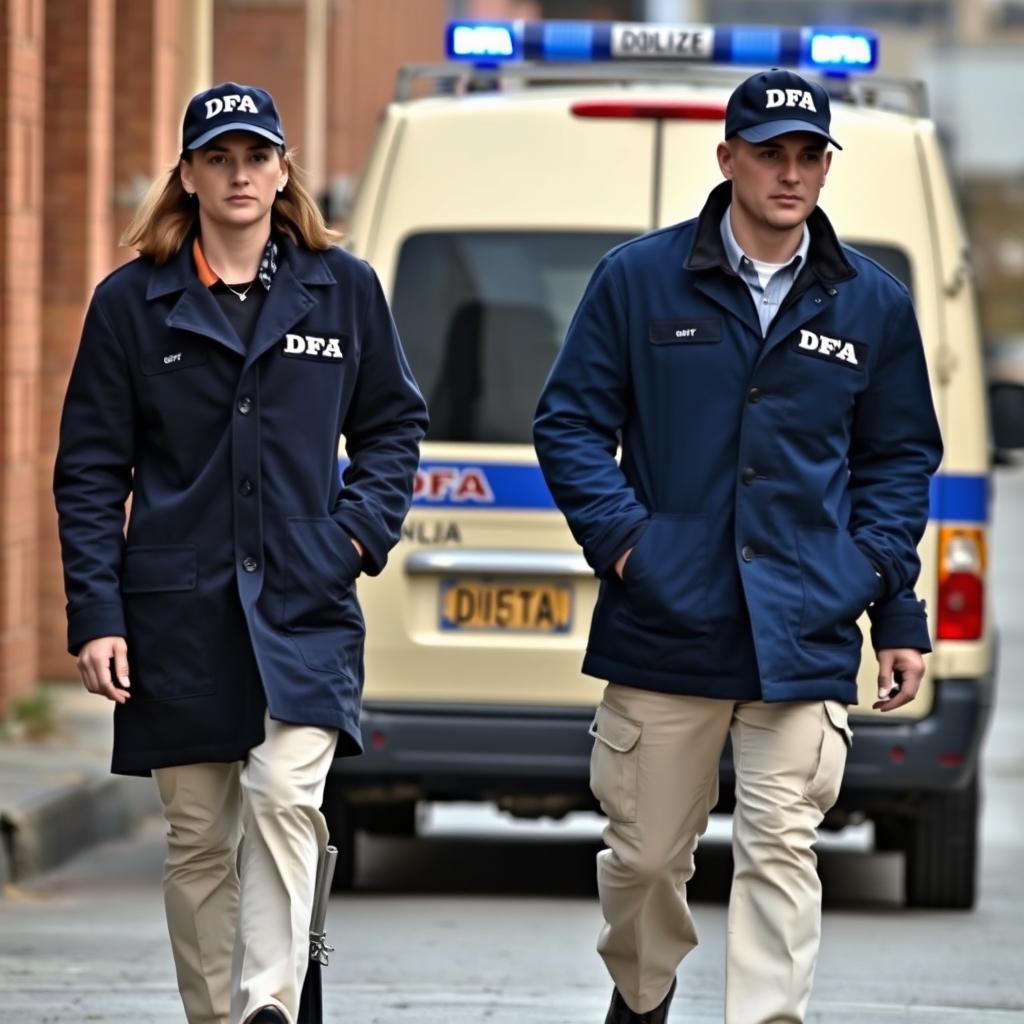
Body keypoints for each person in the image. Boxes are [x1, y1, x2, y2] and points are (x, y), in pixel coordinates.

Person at [533, 68, 942, 1024]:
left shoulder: (871, 304)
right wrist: (630, 547)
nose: (790, 174)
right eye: (770, 154)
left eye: (808, 156)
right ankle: (643, 995)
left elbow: (897, 462)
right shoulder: (637, 281)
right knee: (642, 860)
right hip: (666, 627)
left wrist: (886, 597)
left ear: (826, 167)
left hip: (803, 631)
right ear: (728, 160)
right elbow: (569, 426)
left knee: (782, 850)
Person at [53, 82, 428, 1024]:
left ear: (283, 170)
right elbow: (92, 472)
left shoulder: (343, 290)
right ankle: (216, 1014)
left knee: (283, 798)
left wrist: (353, 534)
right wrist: (96, 615)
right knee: (195, 837)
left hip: (305, 603)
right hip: (177, 612)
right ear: (187, 174)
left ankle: (267, 1003)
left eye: (255, 157)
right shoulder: (131, 304)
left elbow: (393, 426)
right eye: (217, 158)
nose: (238, 174)